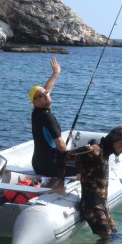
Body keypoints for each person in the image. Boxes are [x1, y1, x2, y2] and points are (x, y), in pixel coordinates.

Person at [59, 125, 122, 240]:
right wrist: (60, 184)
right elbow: (61, 157)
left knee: (116, 237)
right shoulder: (94, 150)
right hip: (91, 207)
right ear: (118, 143)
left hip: (102, 206)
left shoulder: (105, 153)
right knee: (108, 240)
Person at [29, 56, 75, 185]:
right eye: (40, 96)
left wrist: (56, 73)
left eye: (46, 93)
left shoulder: (36, 112)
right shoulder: (47, 117)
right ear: (35, 102)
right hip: (49, 166)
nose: (45, 95)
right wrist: (72, 160)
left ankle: (53, 182)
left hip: (38, 164)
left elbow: (46, 90)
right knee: (89, 165)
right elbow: (61, 145)